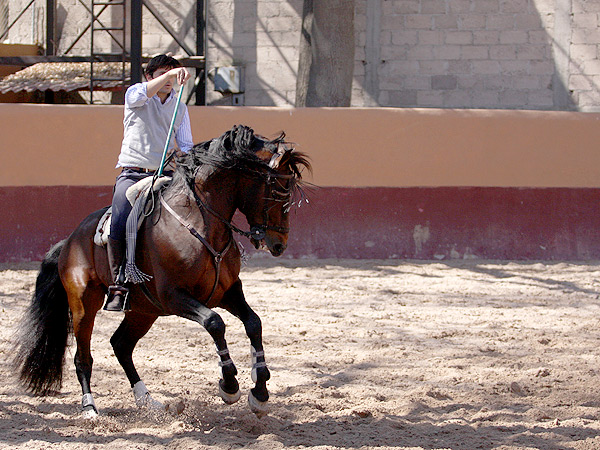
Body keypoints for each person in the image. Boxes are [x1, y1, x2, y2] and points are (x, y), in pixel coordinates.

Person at [104, 54, 193, 312]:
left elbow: (185, 145)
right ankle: (119, 284)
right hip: (132, 174)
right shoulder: (136, 95)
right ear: (149, 76)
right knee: (118, 222)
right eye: (161, 73)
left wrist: (190, 158)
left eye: (172, 73)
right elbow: (140, 95)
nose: (168, 78)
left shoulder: (180, 108)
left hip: (165, 174)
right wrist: (170, 75)